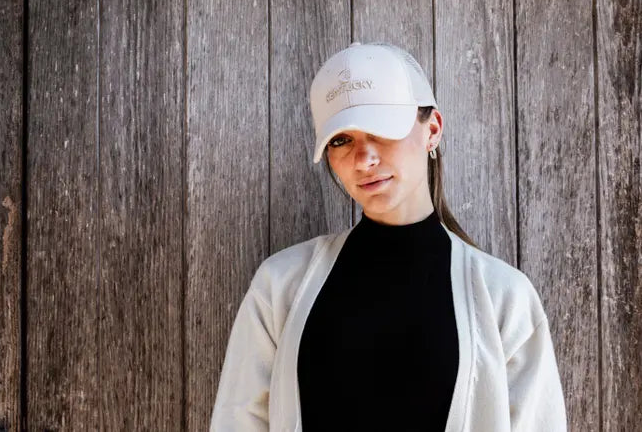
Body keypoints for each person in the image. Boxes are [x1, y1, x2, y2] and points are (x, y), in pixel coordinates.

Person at [209, 41, 567, 431]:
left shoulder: (504, 298)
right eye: (341, 140)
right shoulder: (280, 286)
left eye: (381, 129)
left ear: (432, 130)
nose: (363, 159)